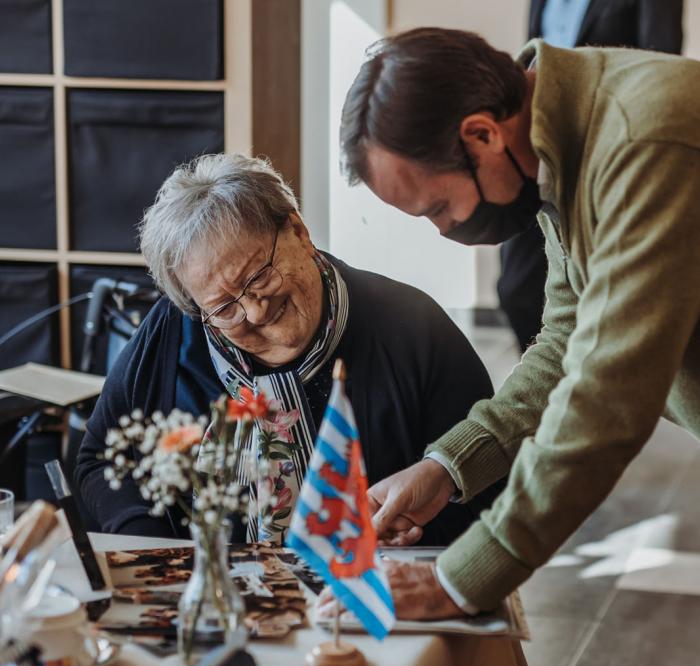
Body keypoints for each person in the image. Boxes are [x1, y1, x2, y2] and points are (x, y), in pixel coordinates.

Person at [339, 27, 700, 618]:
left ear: (481, 134)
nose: (445, 230)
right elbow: (566, 341)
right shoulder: (561, 143)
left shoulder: (642, 140)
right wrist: (446, 466)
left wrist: (459, 578)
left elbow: (607, 395)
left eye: (437, 207)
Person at [76, 152, 501, 545]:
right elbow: (97, 462)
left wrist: (414, 532)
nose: (255, 311)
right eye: (225, 307)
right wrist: (157, 550)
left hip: (371, 594)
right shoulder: (175, 329)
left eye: (258, 276)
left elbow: (488, 475)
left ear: (298, 230)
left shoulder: (412, 328)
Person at [500, 0, 684, 352]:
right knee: (515, 288)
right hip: (542, 145)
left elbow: (662, 61)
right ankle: (557, 376)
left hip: (611, 146)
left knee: (607, 294)